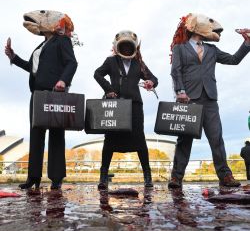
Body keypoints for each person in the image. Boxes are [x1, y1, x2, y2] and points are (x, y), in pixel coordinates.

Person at [169, 13, 250, 188]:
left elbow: (233, 60)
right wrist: (180, 91)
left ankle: (225, 176)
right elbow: (176, 71)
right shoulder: (179, 48)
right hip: (187, 100)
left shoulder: (212, 50)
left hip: (210, 99)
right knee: (184, 140)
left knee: (216, 138)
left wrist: (247, 43)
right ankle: (176, 177)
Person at [4, 10, 77, 189]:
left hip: (55, 94)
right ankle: (33, 178)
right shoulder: (40, 46)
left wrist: (63, 80)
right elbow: (32, 68)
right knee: (36, 135)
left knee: (56, 135)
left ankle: (56, 178)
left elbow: (72, 63)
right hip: (37, 95)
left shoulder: (62, 41)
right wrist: (13, 57)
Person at [94, 30, 158, 190]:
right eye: (124, 46)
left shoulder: (139, 64)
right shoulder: (111, 61)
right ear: (118, 47)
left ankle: (147, 178)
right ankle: (103, 178)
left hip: (135, 106)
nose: (127, 49)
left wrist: (150, 82)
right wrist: (108, 89)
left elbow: (154, 78)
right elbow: (97, 74)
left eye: (130, 46)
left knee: (140, 140)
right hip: (115, 105)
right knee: (109, 140)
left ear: (134, 47)